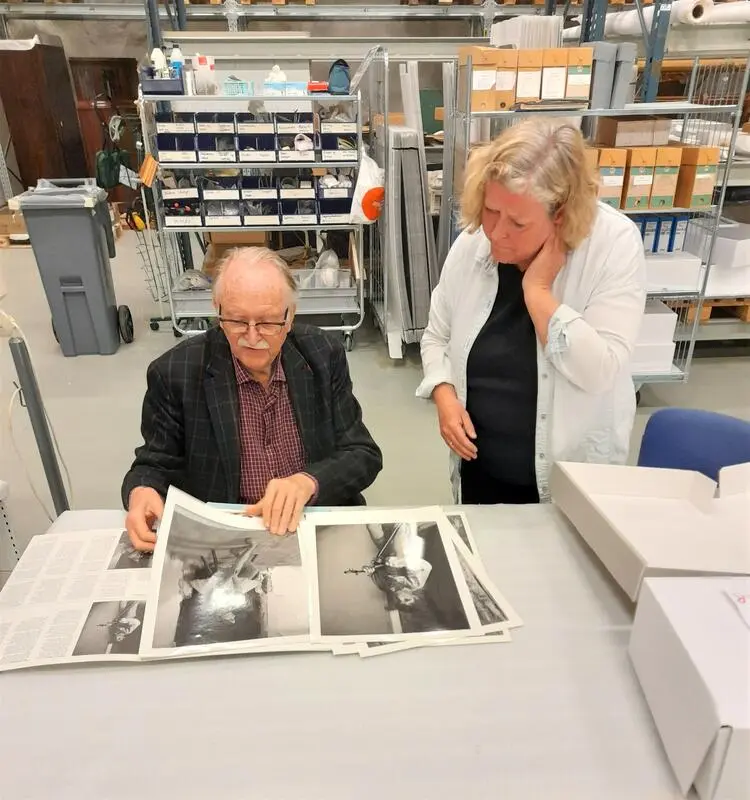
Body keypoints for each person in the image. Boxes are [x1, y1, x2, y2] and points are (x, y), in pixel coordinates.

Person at [417, 119, 647, 505]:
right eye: (491, 211)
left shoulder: (613, 244)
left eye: (518, 223)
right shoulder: (473, 242)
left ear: (560, 215)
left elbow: (601, 371)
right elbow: (436, 335)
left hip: (567, 482)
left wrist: (538, 293)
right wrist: (444, 393)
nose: (496, 232)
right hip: (481, 472)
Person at [123, 246, 382, 549]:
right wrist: (141, 491)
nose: (252, 336)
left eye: (269, 322)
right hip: (229, 536)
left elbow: (363, 454)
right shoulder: (175, 373)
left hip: (312, 520)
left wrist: (308, 481)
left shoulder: (323, 355)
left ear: (290, 316)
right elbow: (152, 466)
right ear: (216, 307)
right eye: (236, 321)